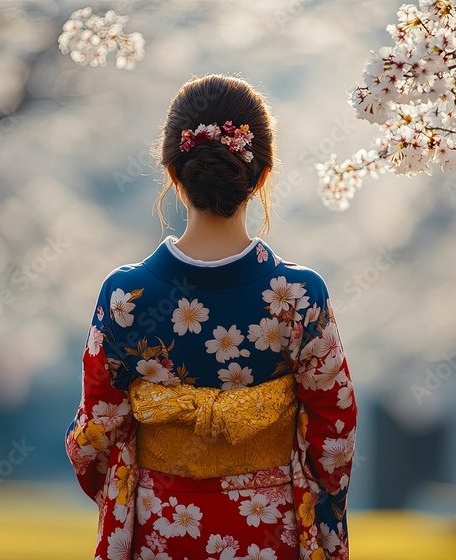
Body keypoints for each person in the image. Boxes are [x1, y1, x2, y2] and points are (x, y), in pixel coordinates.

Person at [66, 74, 356, 560]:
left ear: (173, 174)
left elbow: (96, 433)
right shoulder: (300, 296)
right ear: (262, 176)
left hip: (162, 526)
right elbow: (336, 436)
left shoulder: (125, 296)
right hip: (268, 529)